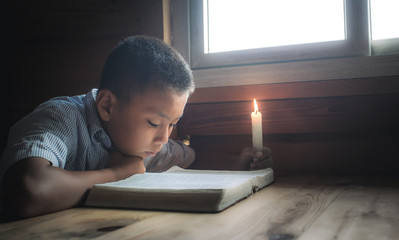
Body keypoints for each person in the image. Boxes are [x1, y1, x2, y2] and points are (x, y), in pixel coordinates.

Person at [0, 36, 273, 219]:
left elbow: (190, 156)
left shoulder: (146, 143)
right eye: (154, 122)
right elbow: (27, 190)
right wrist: (119, 173)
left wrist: (237, 161)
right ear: (107, 105)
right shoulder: (61, 118)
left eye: (172, 125)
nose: (163, 138)